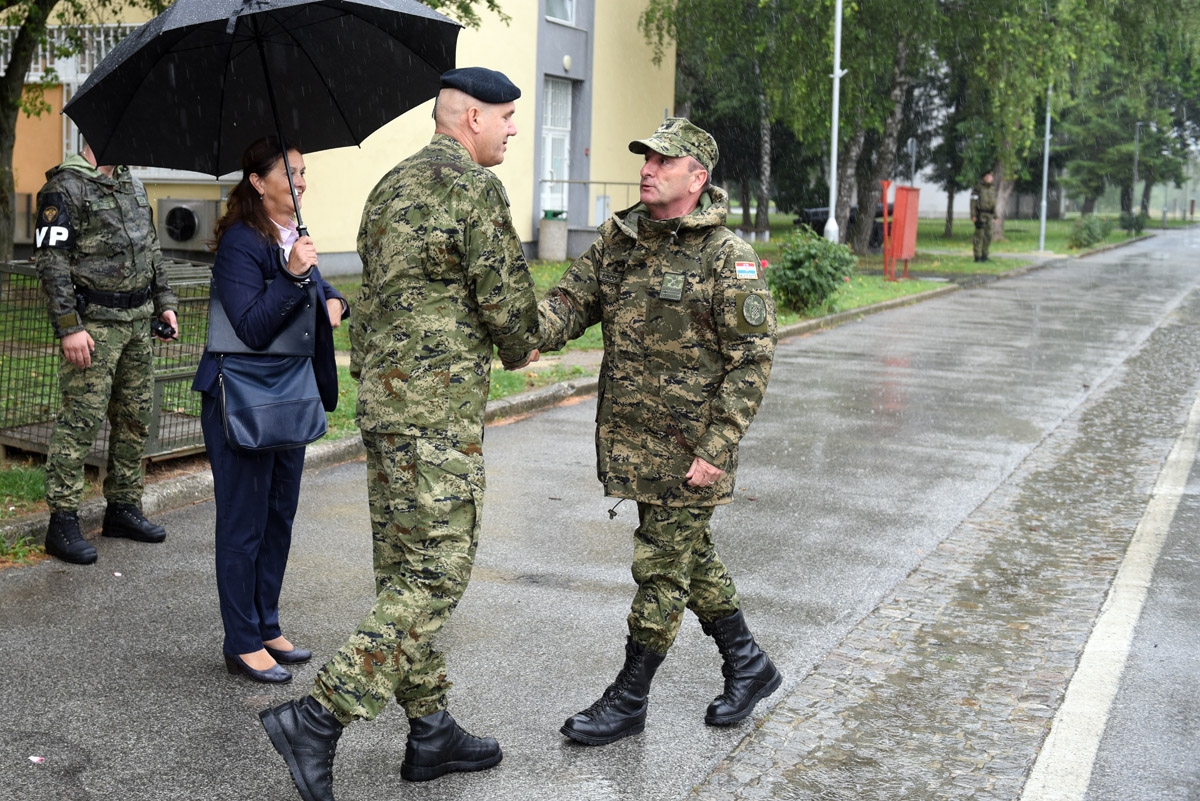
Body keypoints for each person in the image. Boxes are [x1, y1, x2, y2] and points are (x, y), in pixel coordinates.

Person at [259, 66, 539, 798]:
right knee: (435, 574)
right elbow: (512, 315)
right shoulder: (474, 189)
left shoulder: (387, 186)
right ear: (471, 117)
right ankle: (318, 717)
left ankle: (431, 728)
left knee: (403, 574)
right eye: (507, 116)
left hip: (386, 414)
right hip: (437, 420)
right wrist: (536, 336)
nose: (513, 128)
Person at [537, 118, 781, 746]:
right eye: (645, 159)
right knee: (688, 557)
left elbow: (751, 362)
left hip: (690, 449)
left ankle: (629, 698)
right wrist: (519, 332)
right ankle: (749, 664)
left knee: (661, 568)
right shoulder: (620, 242)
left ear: (697, 178)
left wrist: (717, 448)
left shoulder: (728, 258)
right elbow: (568, 304)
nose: (646, 170)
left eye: (663, 162)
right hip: (632, 444)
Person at [192, 136, 347, 684]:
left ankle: (266, 624)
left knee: (278, 515)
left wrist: (335, 298)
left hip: (287, 394)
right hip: (241, 398)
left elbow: (320, 288)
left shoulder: (292, 234)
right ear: (258, 183)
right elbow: (252, 327)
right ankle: (241, 642)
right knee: (244, 522)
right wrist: (292, 274)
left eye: (303, 172)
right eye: (291, 173)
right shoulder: (241, 241)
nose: (302, 182)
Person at [34, 142, 179, 566]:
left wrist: (164, 301)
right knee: (80, 421)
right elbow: (52, 263)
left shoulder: (132, 184)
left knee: (135, 418)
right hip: (93, 326)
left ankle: (123, 507)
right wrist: (69, 327)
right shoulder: (65, 187)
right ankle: (62, 521)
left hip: (137, 322)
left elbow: (151, 249)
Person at [970, 170, 998, 262]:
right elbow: (973, 202)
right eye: (987, 176)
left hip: (990, 214)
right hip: (980, 214)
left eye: (990, 176)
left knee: (988, 235)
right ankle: (977, 256)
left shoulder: (992, 189)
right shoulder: (978, 188)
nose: (989, 178)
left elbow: (994, 203)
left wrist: (996, 215)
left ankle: (985, 255)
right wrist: (973, 215)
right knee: (979, 235)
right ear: (984, 178)